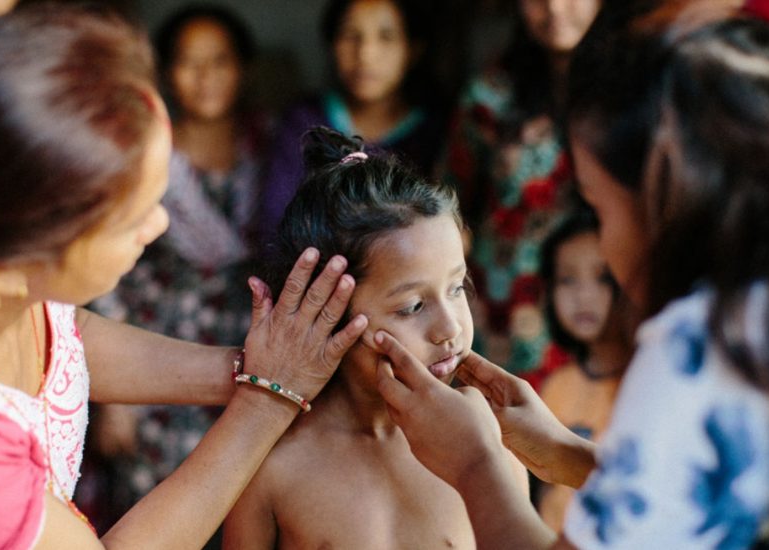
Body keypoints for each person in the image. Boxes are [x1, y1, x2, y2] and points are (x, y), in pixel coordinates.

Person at [372, 0, 769, 548]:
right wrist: (566, 454)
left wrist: (476, 465)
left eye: (600, 209)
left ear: (668, 201)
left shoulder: (711, 344)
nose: (604, 248)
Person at [0, 6, 368, 548]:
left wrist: (259, 368)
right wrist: (268, 401)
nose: (159, 224)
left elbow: (66, 339)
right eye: (133, 218)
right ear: (11, 270)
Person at [222, 127, 527, 549]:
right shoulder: (271, 461)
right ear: (327, 309)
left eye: (457, 288)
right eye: (412, 307)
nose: (451, 329)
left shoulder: (490, 440)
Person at [84, 4, 269, 535]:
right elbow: (107, 277)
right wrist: (114, 401)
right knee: (155, 517)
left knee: (240, 512)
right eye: (190, 62)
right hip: (151, 367)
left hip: (242, 357)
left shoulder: (273, 151)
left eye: (220, 61)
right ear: (166, 72)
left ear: (243, 69)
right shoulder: (143, 155)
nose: (206, 77)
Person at [438, 0, 602, 379]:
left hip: (598, 301)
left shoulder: (633, 92)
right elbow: (448, 204)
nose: (555, 8)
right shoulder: (489, 97)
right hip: (504, 307)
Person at [257, 0, 447, 244]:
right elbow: (275, 227)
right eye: (350, 35)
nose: (365, 54)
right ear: (332, 44)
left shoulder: (436, 132)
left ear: (413, 49)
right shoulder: (303, 123)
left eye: (386, 37)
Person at [532, 209, 632, 532]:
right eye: (567, 279)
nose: (583, 296)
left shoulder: (641, 386)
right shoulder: (557, 387)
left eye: (602, 277)